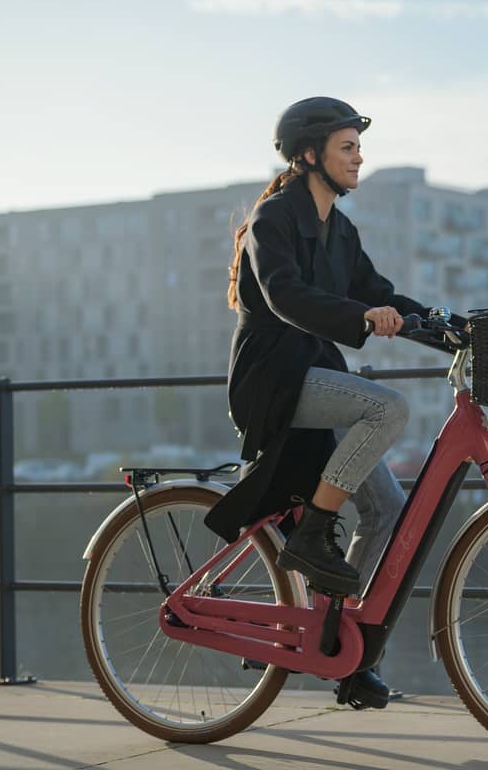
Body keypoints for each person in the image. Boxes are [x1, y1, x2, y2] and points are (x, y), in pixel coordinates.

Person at [204, 96, 432, 709]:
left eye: (359, 146)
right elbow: (286, 297)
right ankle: (315, 532)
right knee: (387, 408)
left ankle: (342, 651)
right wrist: (363, 317)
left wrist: (447, 325)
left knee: (387, 509)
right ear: (310, 155)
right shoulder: (272, 219)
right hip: (274, 382)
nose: (360, 157)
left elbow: (379, 293)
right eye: (348, 147)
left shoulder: (341, 230)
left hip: (317, 378)